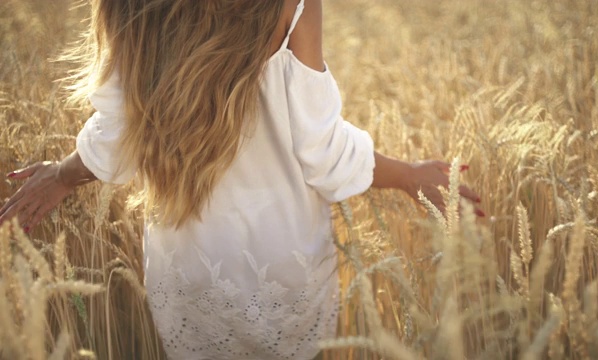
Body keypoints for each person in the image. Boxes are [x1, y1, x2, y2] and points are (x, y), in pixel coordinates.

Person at [0, 0, 482, 358]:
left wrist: (62, 175)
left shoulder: (131, 5)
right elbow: (322, 152)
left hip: (189, 267)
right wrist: (408, 176)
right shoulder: (291, 5)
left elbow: (117, 142)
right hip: (285, 268)